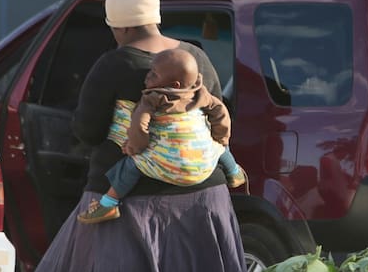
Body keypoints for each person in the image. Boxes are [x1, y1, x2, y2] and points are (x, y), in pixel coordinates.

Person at [24, 0, 253, 272]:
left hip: (128, 194)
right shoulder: (196, 57)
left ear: (123, 24)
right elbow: (214, 114)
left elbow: (88, 131)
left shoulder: (113, 64)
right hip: (201, 191)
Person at [77, 47, 245, 225]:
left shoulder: (154, 98)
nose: (147, 77)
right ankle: (234, 172)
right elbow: (220, 112)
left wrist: (135, 147)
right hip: (203, 167)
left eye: (154, 75)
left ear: (175, 85)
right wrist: (221, 136)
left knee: (130, 166)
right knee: (219, 148)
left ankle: (108, 204)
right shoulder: (201, 94)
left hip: (167, 165)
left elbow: (139, 124)